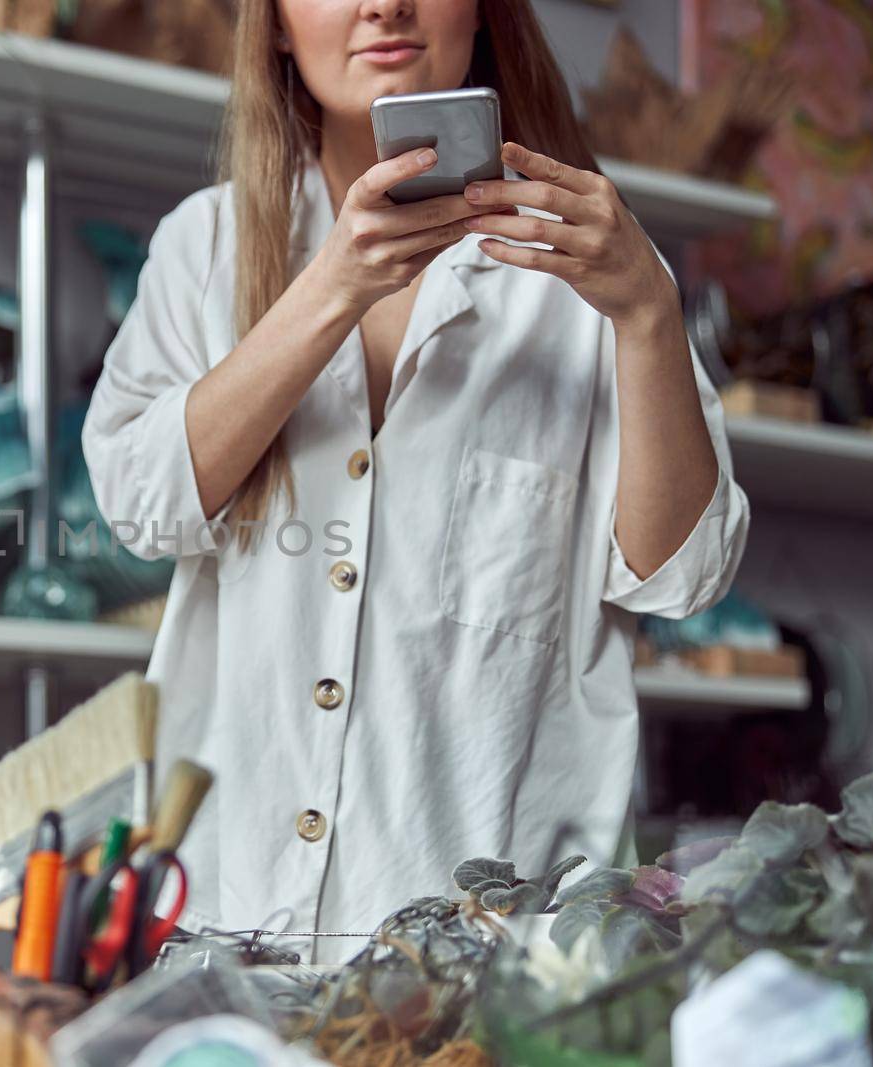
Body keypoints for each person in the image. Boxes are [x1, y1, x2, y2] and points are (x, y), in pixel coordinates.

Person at [80, 0, 751, 963]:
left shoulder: (588, 270)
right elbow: (139, 505)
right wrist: (332, 287)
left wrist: (648, 311)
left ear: (481, 12)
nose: (382, 4)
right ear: (272, 24)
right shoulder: (206, 247)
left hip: (492, 958)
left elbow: (682, 576)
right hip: (224, 927)